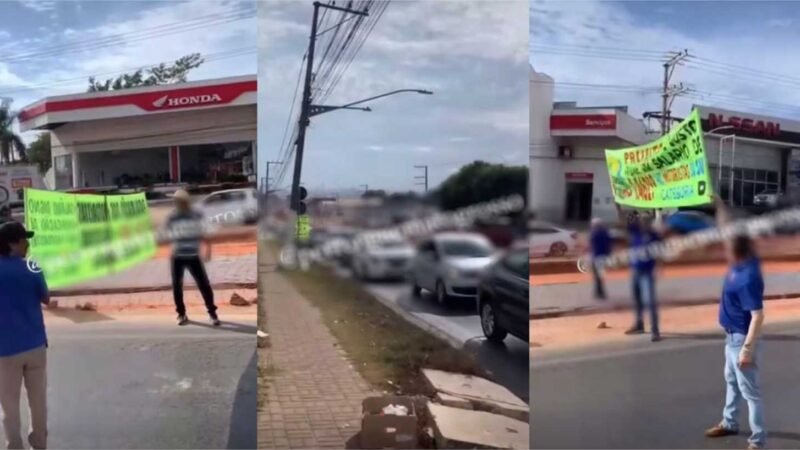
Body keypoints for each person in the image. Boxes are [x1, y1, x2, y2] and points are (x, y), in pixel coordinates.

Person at [704, 196, 766, 449]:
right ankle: (729, 422)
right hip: (730, 337)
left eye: (728, 246)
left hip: (740, 340)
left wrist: (747, 350)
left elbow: (758, 315)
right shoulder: (741, 261)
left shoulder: (747, 276)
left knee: (751, 393)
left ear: (736, 250)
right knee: (731, 381)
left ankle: (758, 440)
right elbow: (726, 228)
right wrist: (719, 205)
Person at [0, 221, 49, 450]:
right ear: (12, 244)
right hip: (35, 346)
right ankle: (39, 444)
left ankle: (14, 446)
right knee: (38, 402)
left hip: (5, 350)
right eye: (23, 239)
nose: (27, 243)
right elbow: (45, 298)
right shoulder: (32, 267)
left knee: (9, 406)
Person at [165, 189, 220, 327]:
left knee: (204, 285)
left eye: (177, 201)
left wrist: (208, 250)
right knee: (177, 286)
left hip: (193, 256)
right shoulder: (172, 217)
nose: (175, 203)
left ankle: (212, 313)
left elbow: (205, 232)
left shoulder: (196, 215)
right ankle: (181, 314)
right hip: (177, 256)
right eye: (175, 201)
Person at [619, 206, 661, 342]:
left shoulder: (654, 236)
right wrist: (617, 205)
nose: (644, 222)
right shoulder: (635, 231)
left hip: (647, 272)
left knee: (650, 302)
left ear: (650, 222)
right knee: (636, 300)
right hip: (635, 271)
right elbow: (622, 220)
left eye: (647, 220)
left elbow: (660, 252)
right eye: (643, 220)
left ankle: (655, 330)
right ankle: (639, 324)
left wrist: (658, 267)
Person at [589, 217, 612, 300]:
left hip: (597, 257)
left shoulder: (595, 233)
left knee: (598, 276)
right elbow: (609, 245)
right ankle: (599, 292)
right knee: (599, 275)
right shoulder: (605, 233)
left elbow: (592, 245)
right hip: (603, 256)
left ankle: (600, 293)